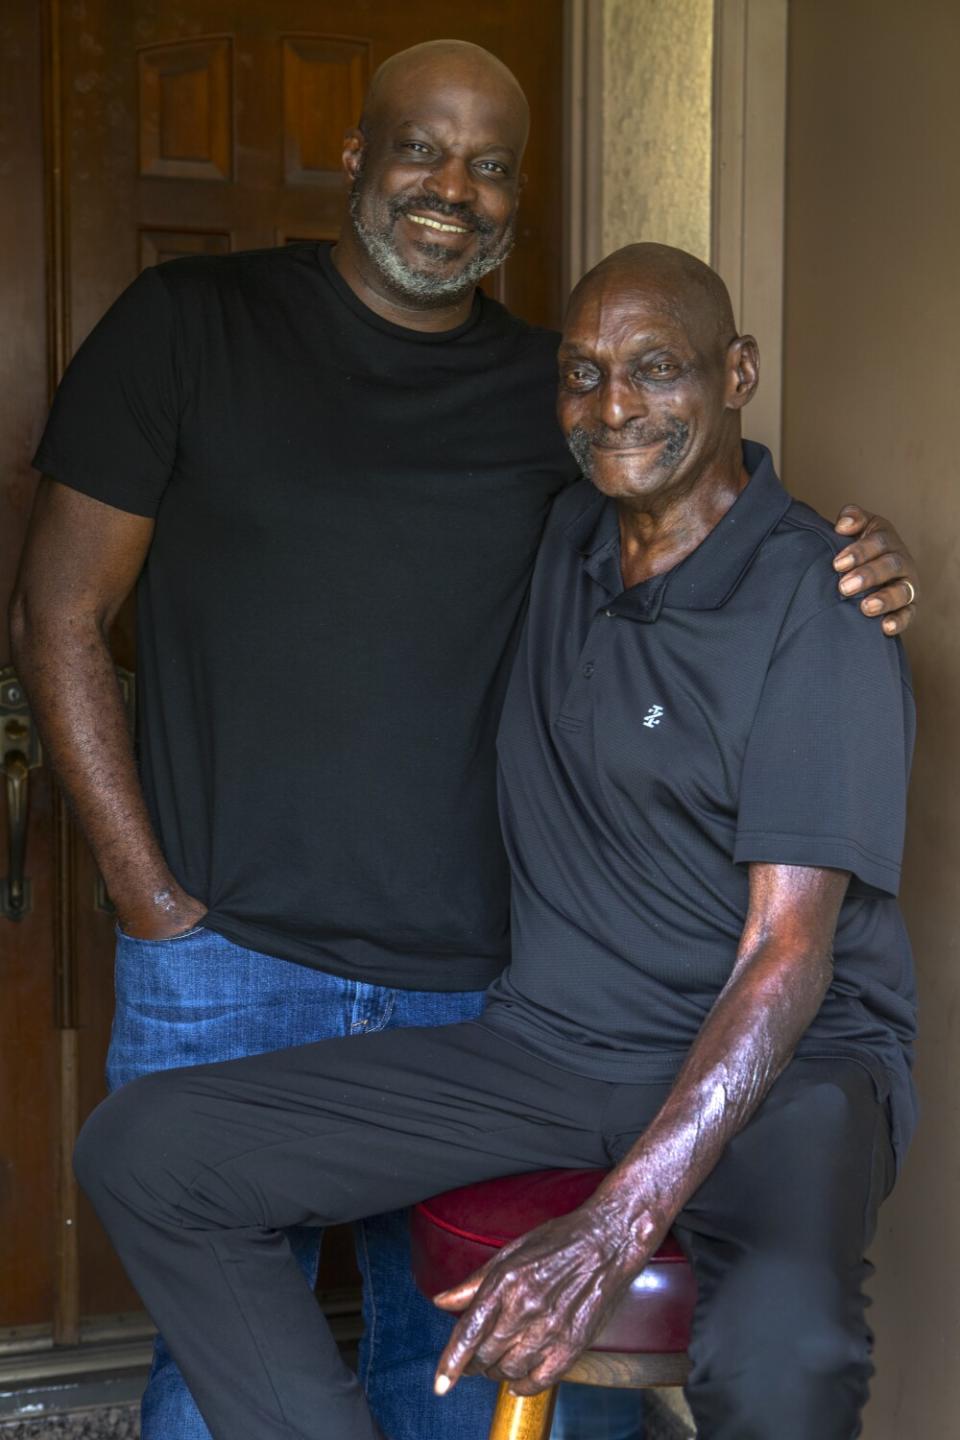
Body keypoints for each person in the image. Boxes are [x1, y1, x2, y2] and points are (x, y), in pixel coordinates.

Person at [12, 37, 917, 1440]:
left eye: (493, 164)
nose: (616, 407)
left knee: (778, 1350)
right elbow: (57, 614)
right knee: (153, 1155)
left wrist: (614, 1222)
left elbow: (788, 955)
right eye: (587, 378)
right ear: (355, 161)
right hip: (473, 1017)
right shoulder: (556, 517)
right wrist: (157, 901)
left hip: (725, 1050)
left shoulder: (808, 591)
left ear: (735, 374)